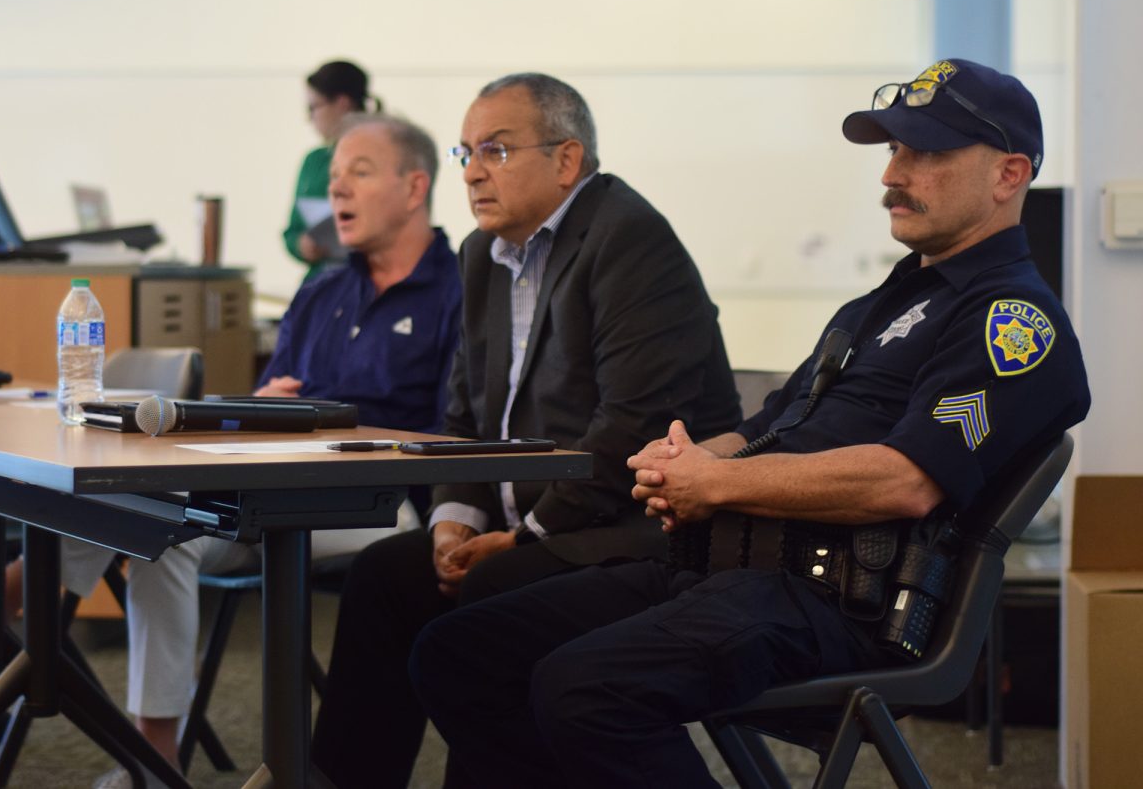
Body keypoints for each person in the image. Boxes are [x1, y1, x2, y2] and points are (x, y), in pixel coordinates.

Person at [408, 59, 1093, 789]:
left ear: (1009, 174)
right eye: (893, 151)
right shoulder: (876, 308)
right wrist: (687, 460)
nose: (893, 174)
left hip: (836, 603)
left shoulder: (1012, 323)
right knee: (458, 651)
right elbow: (768, 424)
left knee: (587, 690)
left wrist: (719, 483)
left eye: (926, 153)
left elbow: (906, 481)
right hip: (730, 572)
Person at [0, 112, 463, 785]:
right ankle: (154, 758)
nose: (336, 192)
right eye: (332, 178)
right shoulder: (324, 286)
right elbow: (271, 396)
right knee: (164, 529)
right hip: (271, 485)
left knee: (161, 507)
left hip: (381, 502)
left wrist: (314, 421)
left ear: (414, 185)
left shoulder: (458, 288)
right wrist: (267, 405)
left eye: (358, 174)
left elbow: (460, 423)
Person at [310, 73, 742, 788]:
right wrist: (453, 520)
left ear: (567, 160)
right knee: (386, 575)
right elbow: (464, 419)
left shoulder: (629, 239)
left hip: (641, 533)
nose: (474, 171)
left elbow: (628, 433)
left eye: (497, 151)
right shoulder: (482, 256)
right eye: (467, 152)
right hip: (534, 528)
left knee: (497, 590)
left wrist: (523, 537)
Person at [283, 59, 382, 281]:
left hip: (368, 280)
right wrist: (301, 245)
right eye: (335, 173)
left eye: (313, 107)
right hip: (322, 282)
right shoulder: (314, 161)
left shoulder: (386, 156)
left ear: (342, 104)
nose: (309, 118)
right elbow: (292, 231)